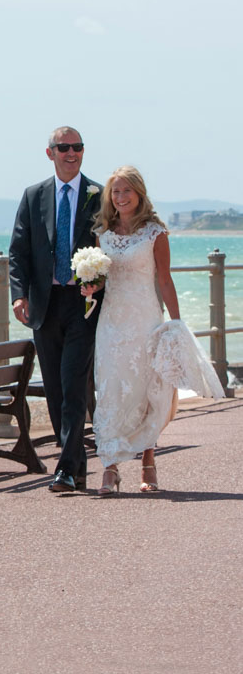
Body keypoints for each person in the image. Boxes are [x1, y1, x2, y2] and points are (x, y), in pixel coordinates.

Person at [82, 166, 227, 495]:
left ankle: (148, 459)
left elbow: (164, 279)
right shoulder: (102, 232)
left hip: (146, 319)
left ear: (139, 193)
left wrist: (174, 324)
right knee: (110, 391)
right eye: (115, 192)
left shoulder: (155, 233)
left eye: (126, 191)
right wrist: (89, 285)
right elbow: (103, 277)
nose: (120, 198)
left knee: (149, 390)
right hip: (112, 322)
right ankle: (110, 468)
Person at [8, 126, 103, 494]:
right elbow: (18, 251)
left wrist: (102, 281)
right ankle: (76, 467)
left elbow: (110, 245)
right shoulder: (34, 196)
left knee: (74, 384)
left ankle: (64, 469)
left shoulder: (98, 195)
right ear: (50, 153)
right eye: (64, 147)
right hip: (45, 304)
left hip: (84, 302)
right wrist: (19, 295)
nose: (71, 153)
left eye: (77, 147)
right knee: (55, 389)